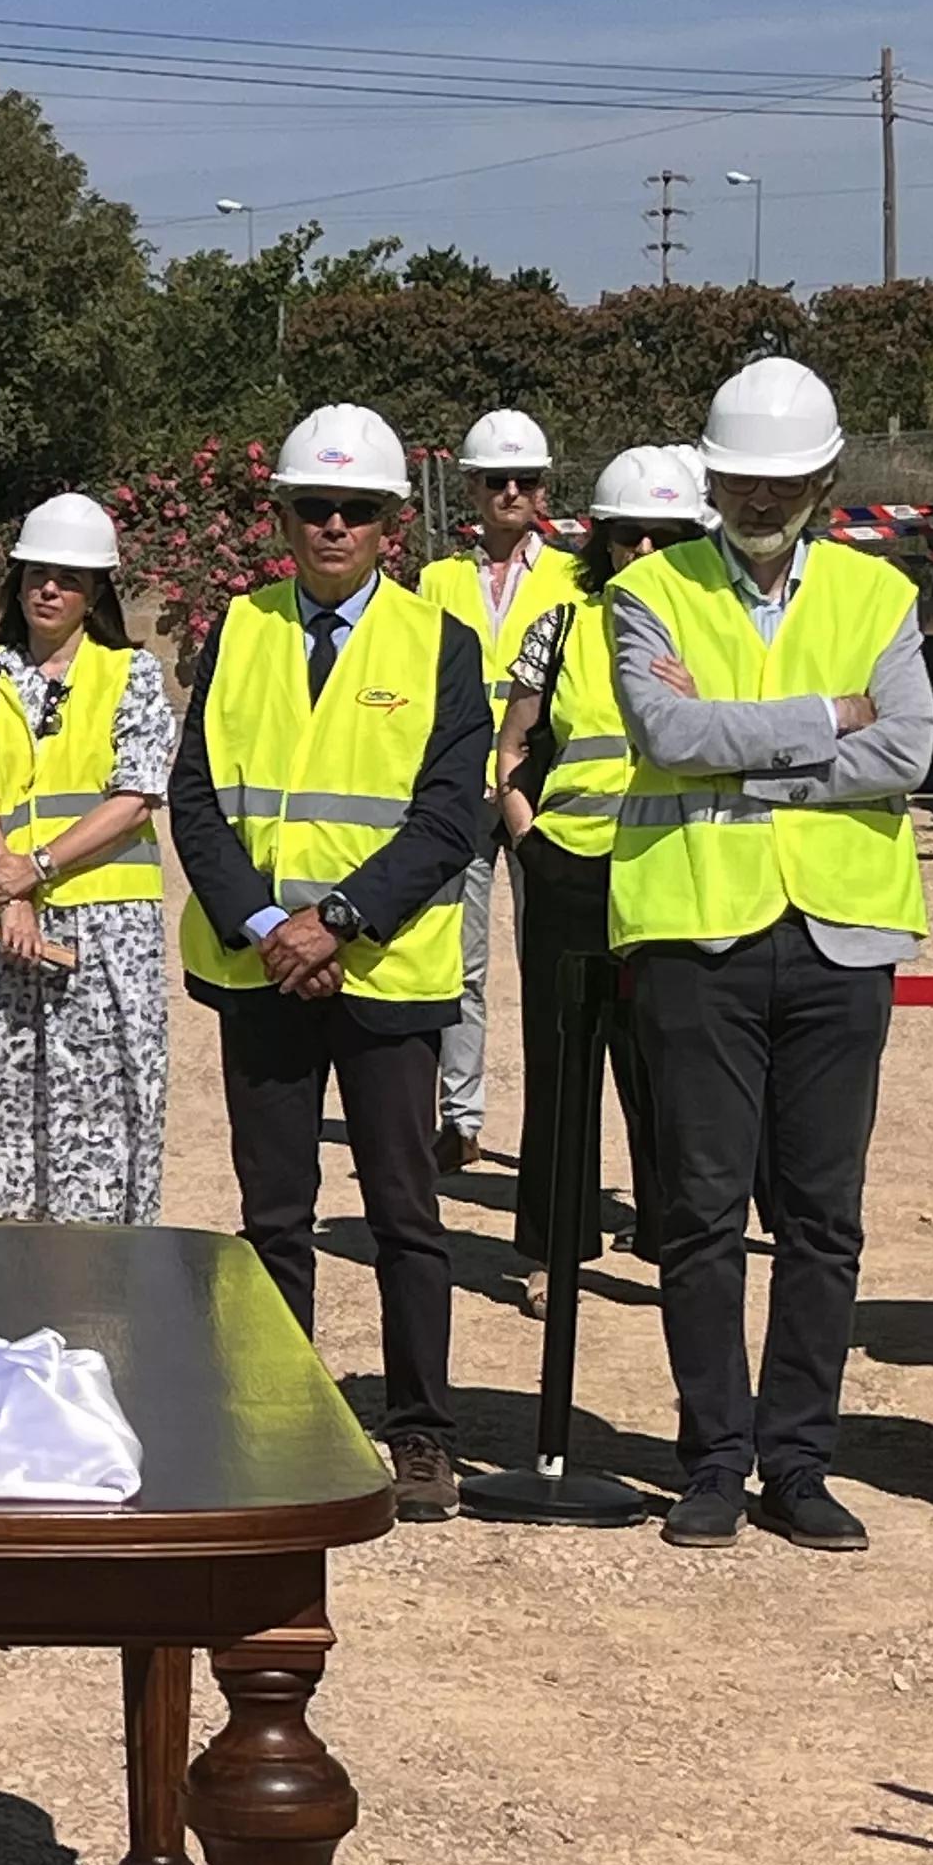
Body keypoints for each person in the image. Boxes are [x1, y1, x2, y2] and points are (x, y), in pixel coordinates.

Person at [609, 354, 933, 1554]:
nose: (761, 497)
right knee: (698, 1211)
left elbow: (908, 750)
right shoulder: (647, 590)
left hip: (841, 935)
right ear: (711, 480)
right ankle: (714, 1456)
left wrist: (742, 755)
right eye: (743, 477)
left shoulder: (878, 594)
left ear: (825, 481)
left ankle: (798, 1461)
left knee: (821, 1216)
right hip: (697, 929)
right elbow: (664, 731)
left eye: (784, 479)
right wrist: (829, 716)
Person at [167, 402, 489, 1523]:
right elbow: (196, 797)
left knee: (405, 1212)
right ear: (283, 517)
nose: (334, 526)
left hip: (384, 974)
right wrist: (271, 926)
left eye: (356, 509)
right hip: (262, 970)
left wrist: (337, 922)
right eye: (314, 507)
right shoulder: (240, 628)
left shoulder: (440, 643)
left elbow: (449, 817)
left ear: (392, 522)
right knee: (274, 1215)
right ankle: (280, 1422)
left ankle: (421, 1432)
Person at [0, 491, 176, 1223]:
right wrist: (10, 890)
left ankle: (96, 1263)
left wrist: (39, 868)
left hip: (106, 928)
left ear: (95, 594)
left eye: (68, 579)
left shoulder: (132, 676)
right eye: (36, 575)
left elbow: (136, 795)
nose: (49, 590)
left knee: (101, 1099)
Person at [488, 445, 707, 1302]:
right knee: (561, 1067)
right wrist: (528, 839)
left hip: (674, 871)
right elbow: (513, 746)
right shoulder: (563, 625)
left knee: (670, 1067)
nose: (643, 550)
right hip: (571, 872)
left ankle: (677, 1247)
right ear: (602, 539)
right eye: (627, 534)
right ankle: (555, 1251)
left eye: (663, 536)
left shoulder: (716, 627)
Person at [418, 409, 586, 1170]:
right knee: (459, 960)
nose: (509, 493)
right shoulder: (437, 580)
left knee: (544, 960)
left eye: (523, 480)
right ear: (473, 489)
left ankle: (551, 1126)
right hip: (460, 785)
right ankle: (460, 1120)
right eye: (495, 480)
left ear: (542, 489)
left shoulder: (573, 578)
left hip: (536, 785)